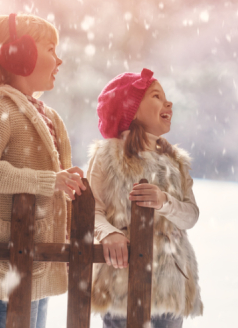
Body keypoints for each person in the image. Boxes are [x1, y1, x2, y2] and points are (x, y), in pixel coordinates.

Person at [0, 13, 87, 328]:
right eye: (51, 49)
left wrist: (63, 183)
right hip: (3, 268)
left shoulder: (45, 114)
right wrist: (48, 181)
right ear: (19, 54)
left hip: (33, 262)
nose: (59, 59)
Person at [87, 68, 203, 328]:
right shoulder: (108, 156)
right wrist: (108, 233)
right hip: (121, 285)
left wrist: (165, 202)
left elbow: (190, 216)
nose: (168, 102)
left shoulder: (175, 162)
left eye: (166, 97)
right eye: (156, 96)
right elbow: (89, 210)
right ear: (132, 110)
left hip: (170, 284)